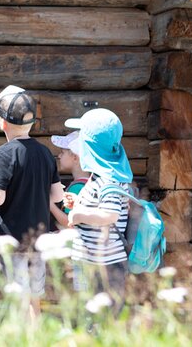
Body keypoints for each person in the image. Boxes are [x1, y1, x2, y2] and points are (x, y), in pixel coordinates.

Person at [0, 85, 64, 305]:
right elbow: (57, 195)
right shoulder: (45, 152)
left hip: (14, 241)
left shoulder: (2, 154)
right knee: (34, 298)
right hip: (39, 242)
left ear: (3, 122)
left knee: (18, 298)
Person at [64, 107, 133, 306]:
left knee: (98, 320)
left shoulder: (108, 180)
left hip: (103, 267)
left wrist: (79, 214)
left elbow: (110, 214)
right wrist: (79, 204)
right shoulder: (100, 177)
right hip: (91, 262)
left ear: (90, 147)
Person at [49, 131, 90, 230]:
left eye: (62, 152)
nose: (59, 156)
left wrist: (49, 204)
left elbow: (69, 222)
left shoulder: (77, 187)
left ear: (75, 158)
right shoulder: (88, 184)